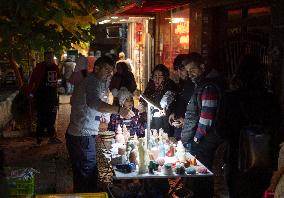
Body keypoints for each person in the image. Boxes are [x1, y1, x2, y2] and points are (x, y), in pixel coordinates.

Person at [65, 56, 135, 193]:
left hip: (84, 135)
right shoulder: (92, 81)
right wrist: (119, 110)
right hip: (81, 136)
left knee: (87, 174)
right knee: (86, 173)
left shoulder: (99, 82)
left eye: (111, 70)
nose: (110, 73)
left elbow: (94, 105)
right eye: (107, 69)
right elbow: (94, 103)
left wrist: (104, 116)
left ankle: (85, 194)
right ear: (96, 68)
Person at [217, 54, 280, 198]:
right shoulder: (271, 99)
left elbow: (220, 130)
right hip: (264, 160)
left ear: (239, 74)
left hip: (236, 159)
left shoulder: (230, 98)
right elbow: (279, 130)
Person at [181, 52, 224, 198]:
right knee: (199, 180)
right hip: (204, 142)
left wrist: (196, 140)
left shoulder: (209, 87)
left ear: (202, 67)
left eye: (192, 69)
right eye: (187, 71)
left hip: (206, 142)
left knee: (202, 181)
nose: (190, 74)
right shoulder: (201, 85)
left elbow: (206, 119)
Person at [27, 51, 61, 145]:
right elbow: (33, 81)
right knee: (41, 117)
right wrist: (30, 93)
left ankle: (51, 137)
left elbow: (57, 80)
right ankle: (39, 137)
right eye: (47, 58)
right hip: (41, 97)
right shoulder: (39, 68)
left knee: (52, 117)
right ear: (44, 58)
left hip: (52, 97)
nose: (49, 59)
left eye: (51, 58)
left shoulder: (55, 67)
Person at [140, 64, 177, 137]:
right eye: (155, 76)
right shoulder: (150, 85)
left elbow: (167, 100)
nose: (157, 79)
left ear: (165, 77)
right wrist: (143, 106)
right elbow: (144, 98)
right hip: (151, 118)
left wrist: (163, 106)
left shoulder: (170, 85)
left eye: (160, 77)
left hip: (165, 119)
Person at [168, 54, 195, 140]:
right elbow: (179, 102)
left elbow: (196, 108)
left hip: (189, 129)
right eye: (177, 69)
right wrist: (173, 113)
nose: (179, 72)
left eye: (182, 69)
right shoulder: (180, 84)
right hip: (179, 126)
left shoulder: (194, 84)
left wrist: (185, 120)